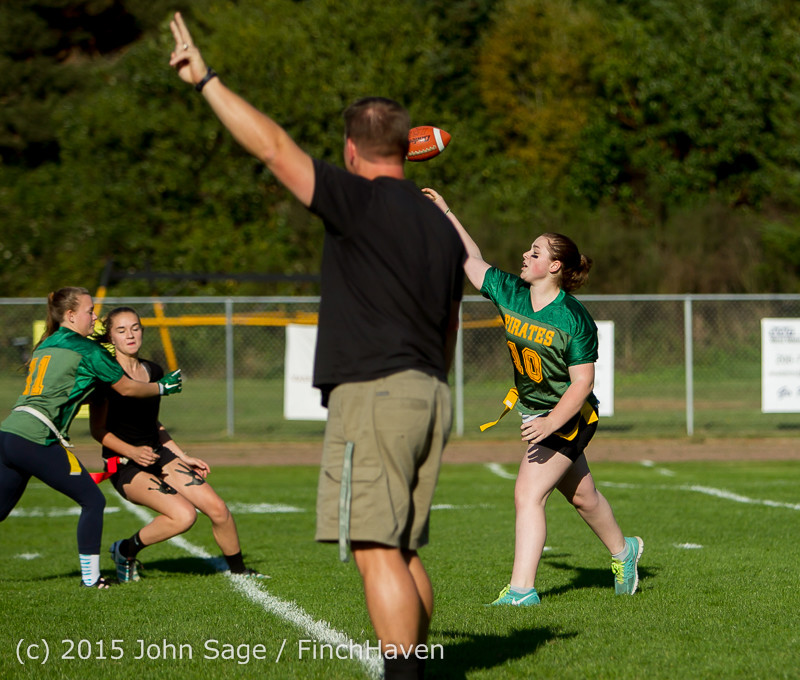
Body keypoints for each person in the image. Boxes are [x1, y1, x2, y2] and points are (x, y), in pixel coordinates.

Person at [168, 13, 465, 679]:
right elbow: (448, 324)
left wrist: (207, 80)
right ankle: (420, 665)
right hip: (431, 393)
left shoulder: (357, 200)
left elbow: (273, 148)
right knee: (403, 547)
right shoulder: (440, 224)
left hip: (377, 394)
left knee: (374, 547)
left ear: (353, 151)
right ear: (406, 145)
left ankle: (404, 674)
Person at [423, 188, 642, 606]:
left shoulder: (574, 318)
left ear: (555, 266)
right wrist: (445, 212)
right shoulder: (512, 293)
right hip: (538, 413)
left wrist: (550, 423)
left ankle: (522, 591)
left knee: (527, 493)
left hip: (570, 416)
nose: (526, 255)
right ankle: (624, 551)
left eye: (536, 252)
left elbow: (582, 384)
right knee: (582, 496)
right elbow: (470, 259)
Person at [0, 287, 183, 589]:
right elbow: (127, 388)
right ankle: (91, 579)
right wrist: (162, 387)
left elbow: (68, 392)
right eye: (90, 310)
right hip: (36, 436)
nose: (95, 316)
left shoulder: (47, 342)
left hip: (9, 432)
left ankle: (91, 576)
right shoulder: (87, 349)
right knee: (92, 501)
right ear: (71, 315)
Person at [89, 306, 266, 583]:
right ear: (111, 337)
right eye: (121, 330)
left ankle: (240, 571)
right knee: (184, 516)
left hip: (160, 456)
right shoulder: (104, 378)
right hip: (124, 464)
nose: (130, 334)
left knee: (218, 509)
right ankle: (124, 550)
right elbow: (98, 430)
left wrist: (182, 456)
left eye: (135, 328)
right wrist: (132, 451)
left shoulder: (154, 370)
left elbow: (153, 424)